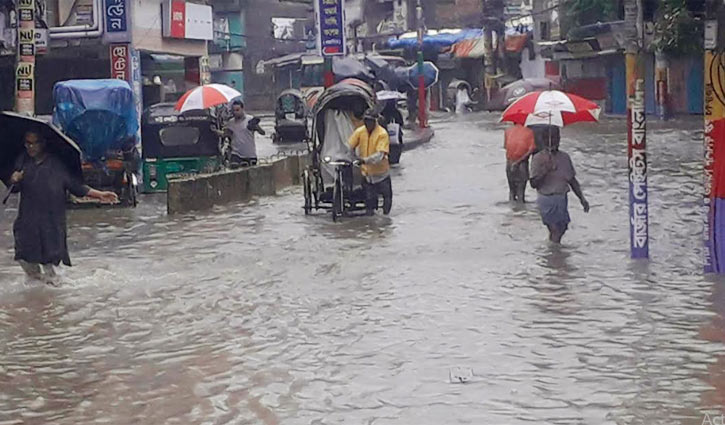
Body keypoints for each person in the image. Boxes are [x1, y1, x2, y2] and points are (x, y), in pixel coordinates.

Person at [10, 131, 119, 286]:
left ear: (43, 143)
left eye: (35, 143)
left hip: (51, 224)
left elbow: (77, 187)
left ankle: (54, 299)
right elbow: (13, 189)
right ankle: (36, 295)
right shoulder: (22, 162)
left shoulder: (57, 164)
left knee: (52, 270)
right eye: (28, 143)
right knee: (25, 261)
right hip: (27, 223)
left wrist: (100, 195)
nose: (31, 147)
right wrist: (14, 179)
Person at [529, 126, 590, 244]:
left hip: (562, 198)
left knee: (563, 227)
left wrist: (582, 199)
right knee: (555, 229)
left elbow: (572, 180)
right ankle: (555, 257)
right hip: (546, 199)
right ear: (543, 140)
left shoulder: (565, 157)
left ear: (559, 139)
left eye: (556, 138)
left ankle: (554, 251)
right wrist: (544, 170)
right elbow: (533, 183)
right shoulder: (538, 158)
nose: (553, 142)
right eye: (549, 139)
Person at [349, 110, 393, 216]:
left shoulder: (382, 134)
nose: (367, 123)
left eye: (370, 121)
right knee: (369, 203)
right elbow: (350, 145)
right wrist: (352, 157)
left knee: (387, 199)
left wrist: (364, 160)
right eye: (366, 121)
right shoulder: (360, 132)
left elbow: (380, 155)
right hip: (367, 174)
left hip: (381, 174)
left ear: (375, 122)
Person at [223, 99, 265, 168]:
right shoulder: (231, 122)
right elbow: (226, 134)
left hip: (250, 155)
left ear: (242, 109)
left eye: (237, 110)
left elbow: (263, 133)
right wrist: (216, 131)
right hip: (236, 154)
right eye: (234, 110)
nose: (235, 112)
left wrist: (256, 127)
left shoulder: (250, 120)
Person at [503, 124, 535, 203]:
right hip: (522, 164)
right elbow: (532, 149)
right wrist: (518, 162)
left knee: (511, 191)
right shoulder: (529, 132)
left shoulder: (508, 131)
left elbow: (505, 146)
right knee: (521, 193)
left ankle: (512, 212)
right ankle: (521, 213)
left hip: (509, 163)